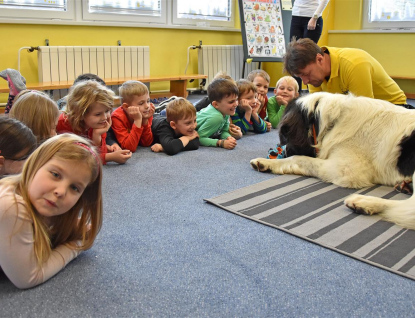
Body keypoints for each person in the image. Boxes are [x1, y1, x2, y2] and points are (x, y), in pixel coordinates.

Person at [0, 133, 103, 289]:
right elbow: (28, 277)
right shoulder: (9, 205)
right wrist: (76, 245)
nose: (61, 191)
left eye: (74, 188)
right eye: (55, 174)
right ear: (36, 163)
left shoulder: (37, 199)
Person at [283, 38, 408, 105]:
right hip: (356, 110)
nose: (305, 82)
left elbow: (364, 113)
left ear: (319, 59)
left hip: (394, 109)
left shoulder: (354, 64)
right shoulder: (313, 74)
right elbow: (320, 110)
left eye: (306, 74)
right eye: (300, 77)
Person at [56, 80, 132, 165]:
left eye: (107, 111)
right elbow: (79, 158)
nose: (105, 117)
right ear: (80, 114)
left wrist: (98, 135)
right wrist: (109, 157)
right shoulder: (64, 125)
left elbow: (96, 151)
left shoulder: (97, 123)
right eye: (98, 114)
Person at [290, 0, 330, 92]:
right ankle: (295, 94)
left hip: (312, 16)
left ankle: (312, 94)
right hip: (296, 15)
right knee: (294, 56)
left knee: (308, 57)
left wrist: (315, 17)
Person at [111, 80, 155, 153]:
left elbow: (147, 143)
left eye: (148, 101)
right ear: (126, 107)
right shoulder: (117, 117)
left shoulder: (146, 112)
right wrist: (137, 120)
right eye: (141, 103)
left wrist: (145, 120)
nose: (147, 106)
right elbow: (129, 148)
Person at [196, 78, 238, 149]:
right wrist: (220, 143)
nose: (236, 104)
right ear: (215, 104)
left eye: (236, 100)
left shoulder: (226, 112)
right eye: (231, 102)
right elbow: (199, 138)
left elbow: (223, 131)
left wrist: (228, 137)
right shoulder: (216, 117)